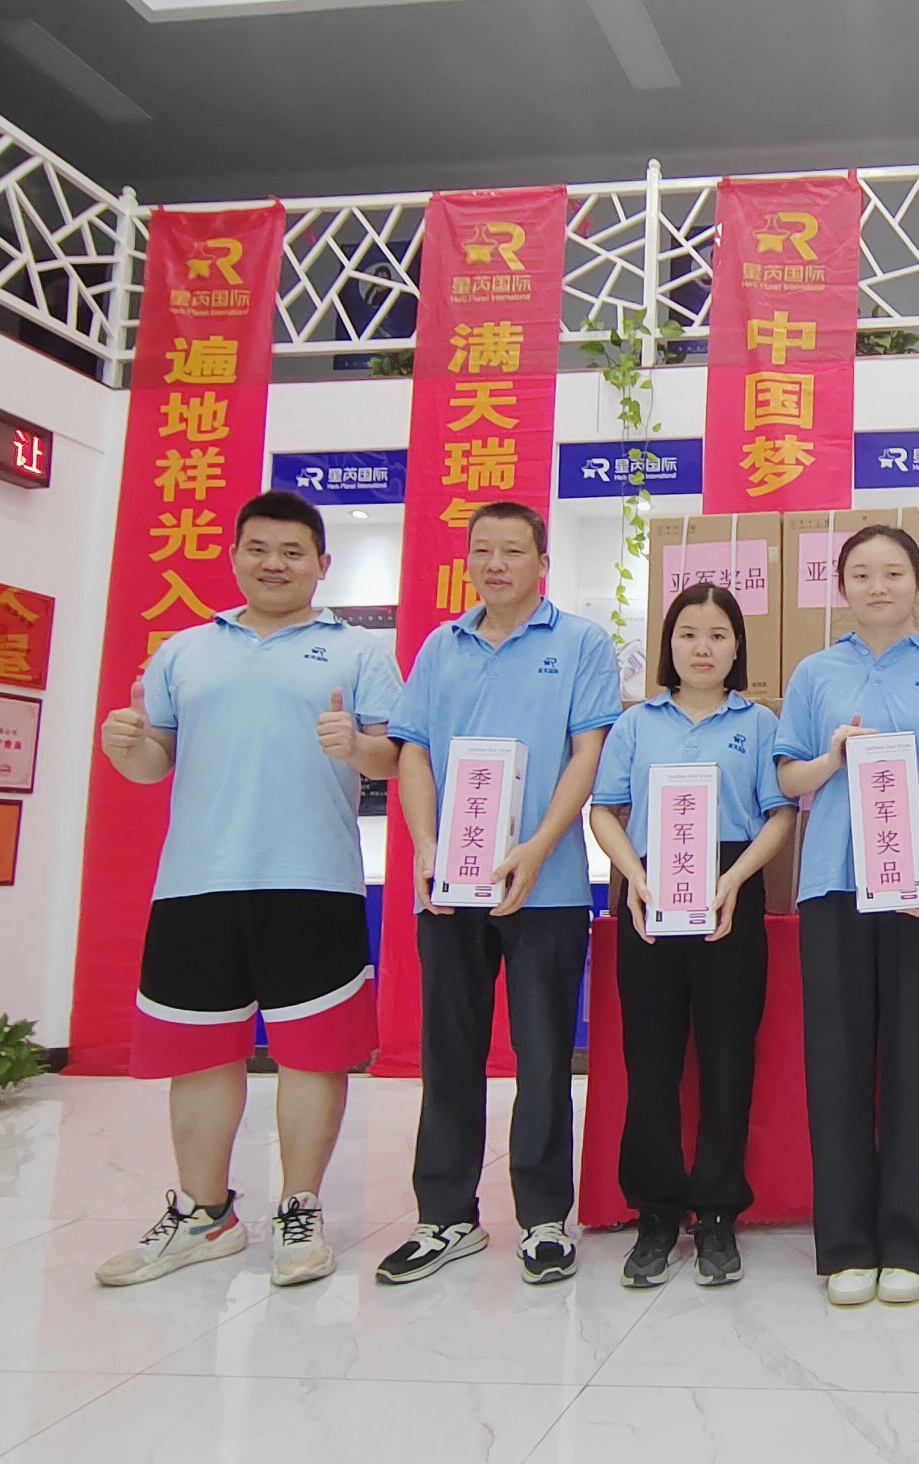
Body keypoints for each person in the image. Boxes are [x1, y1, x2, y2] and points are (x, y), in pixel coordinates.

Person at [93, 490, 400, 1290]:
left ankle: (301, 1210)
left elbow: (396, 758)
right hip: (198, 878)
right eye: (259, 548)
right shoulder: (184, 651)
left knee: (314, 1054)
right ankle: (205, 1214)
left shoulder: (358, 652)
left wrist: (357, 744)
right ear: (233, 556)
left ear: (321, 565)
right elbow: (154, 761)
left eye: (293, 552)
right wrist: (127, 746)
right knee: (200, 1052)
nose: (275, 564)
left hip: (314, 878)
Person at [374, 501, 621, 1287]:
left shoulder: (580, 643)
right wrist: (425, 847)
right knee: (448, 1051)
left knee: (543, 1057)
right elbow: (413, 752)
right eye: (482, 550)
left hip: (546, 887)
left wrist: (540, 846)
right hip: (450, 888)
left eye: (513, 551)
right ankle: (445, 1215)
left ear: (542, 562)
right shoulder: (440, 646)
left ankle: (544, 1219)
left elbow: (587, 755)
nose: (496, 564)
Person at [774, 525, 919, 1307]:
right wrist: (830, 758)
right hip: (834, 886)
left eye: (893, 572)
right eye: (861, 573)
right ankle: (846, 1244)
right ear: (841, 588)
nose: (877, 586)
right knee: (837, 1066)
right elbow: (789, 778)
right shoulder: (815, 672)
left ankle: (910, 1241)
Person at [588, 582, 796, 1290]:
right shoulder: (636, 724)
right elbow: (605, 811)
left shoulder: (759, 723)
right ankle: (655, 1212)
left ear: (738, 648)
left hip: (729, 889)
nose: (702, 648)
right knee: (650, 1060)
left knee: (727, 1058)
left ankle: (717, 1212)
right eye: (687, 634)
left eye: (717, 635)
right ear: (667, 646)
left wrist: (734, 879)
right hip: (650, 893)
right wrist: (634, 877)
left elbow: (780, 814)